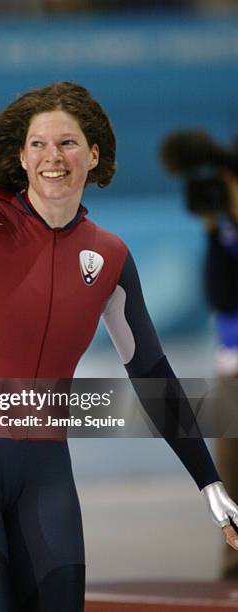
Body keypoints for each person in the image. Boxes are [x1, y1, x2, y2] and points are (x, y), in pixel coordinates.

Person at [0, 68, 238, 612]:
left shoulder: (111, 257)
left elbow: (150, 373)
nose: (53, 155)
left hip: (46, 478)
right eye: (39, 144)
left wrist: (208, 482)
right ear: (23, 157)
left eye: (68, 143)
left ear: (94, 156)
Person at [160, 130, 238, 579]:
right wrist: (216, 231)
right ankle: (233, 575)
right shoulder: (226, 226)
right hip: (232, 368)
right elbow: (222, 296)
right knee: (233, 483)